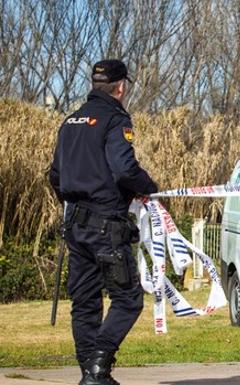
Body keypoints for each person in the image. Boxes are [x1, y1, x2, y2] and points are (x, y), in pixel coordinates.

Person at [49, 59, 158, 385]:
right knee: (128, 299)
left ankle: (91, 375)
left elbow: (55, 175)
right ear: (121, 87)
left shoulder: (70, 121)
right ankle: (98, 367)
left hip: (75, 224)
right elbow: (125, 169)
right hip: (105, 225)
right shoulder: (114, 119)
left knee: (84, 303)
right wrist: (147, 188)